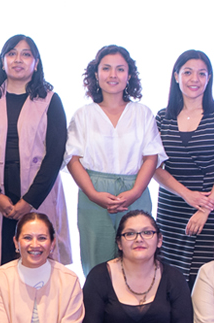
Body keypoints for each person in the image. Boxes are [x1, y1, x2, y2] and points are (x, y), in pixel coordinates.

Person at [0, 34, 71, 272]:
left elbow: (55, 156)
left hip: (38, 192)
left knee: (39, 261)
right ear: (2, 60)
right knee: (1, 264)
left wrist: (30, 201)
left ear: (36, 63)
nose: (18, 59)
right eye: (12, 53)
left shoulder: (50, 100)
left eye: (26, 54)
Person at [66, 45, 163, 274]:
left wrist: (135, 191)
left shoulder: (142, 113)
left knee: (138, 257)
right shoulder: (84, 114)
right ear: (96, 74)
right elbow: (72, 159)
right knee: (96, 262)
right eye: (106, 68)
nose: (113, 75)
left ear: (129, 75)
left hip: (135, 191)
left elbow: (151, 156)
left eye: (120, 69)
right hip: (94, 193)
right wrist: (93, 194)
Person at [153, 50, 214, 288]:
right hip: (173, 208)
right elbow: (154, 167)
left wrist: (205, 208)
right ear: (176, 76)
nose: (195, 79)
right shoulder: (162, 118)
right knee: (172, 280)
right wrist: (187, 195)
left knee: (212, 280)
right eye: (188, 72)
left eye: (202, 73)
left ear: (209, 78)